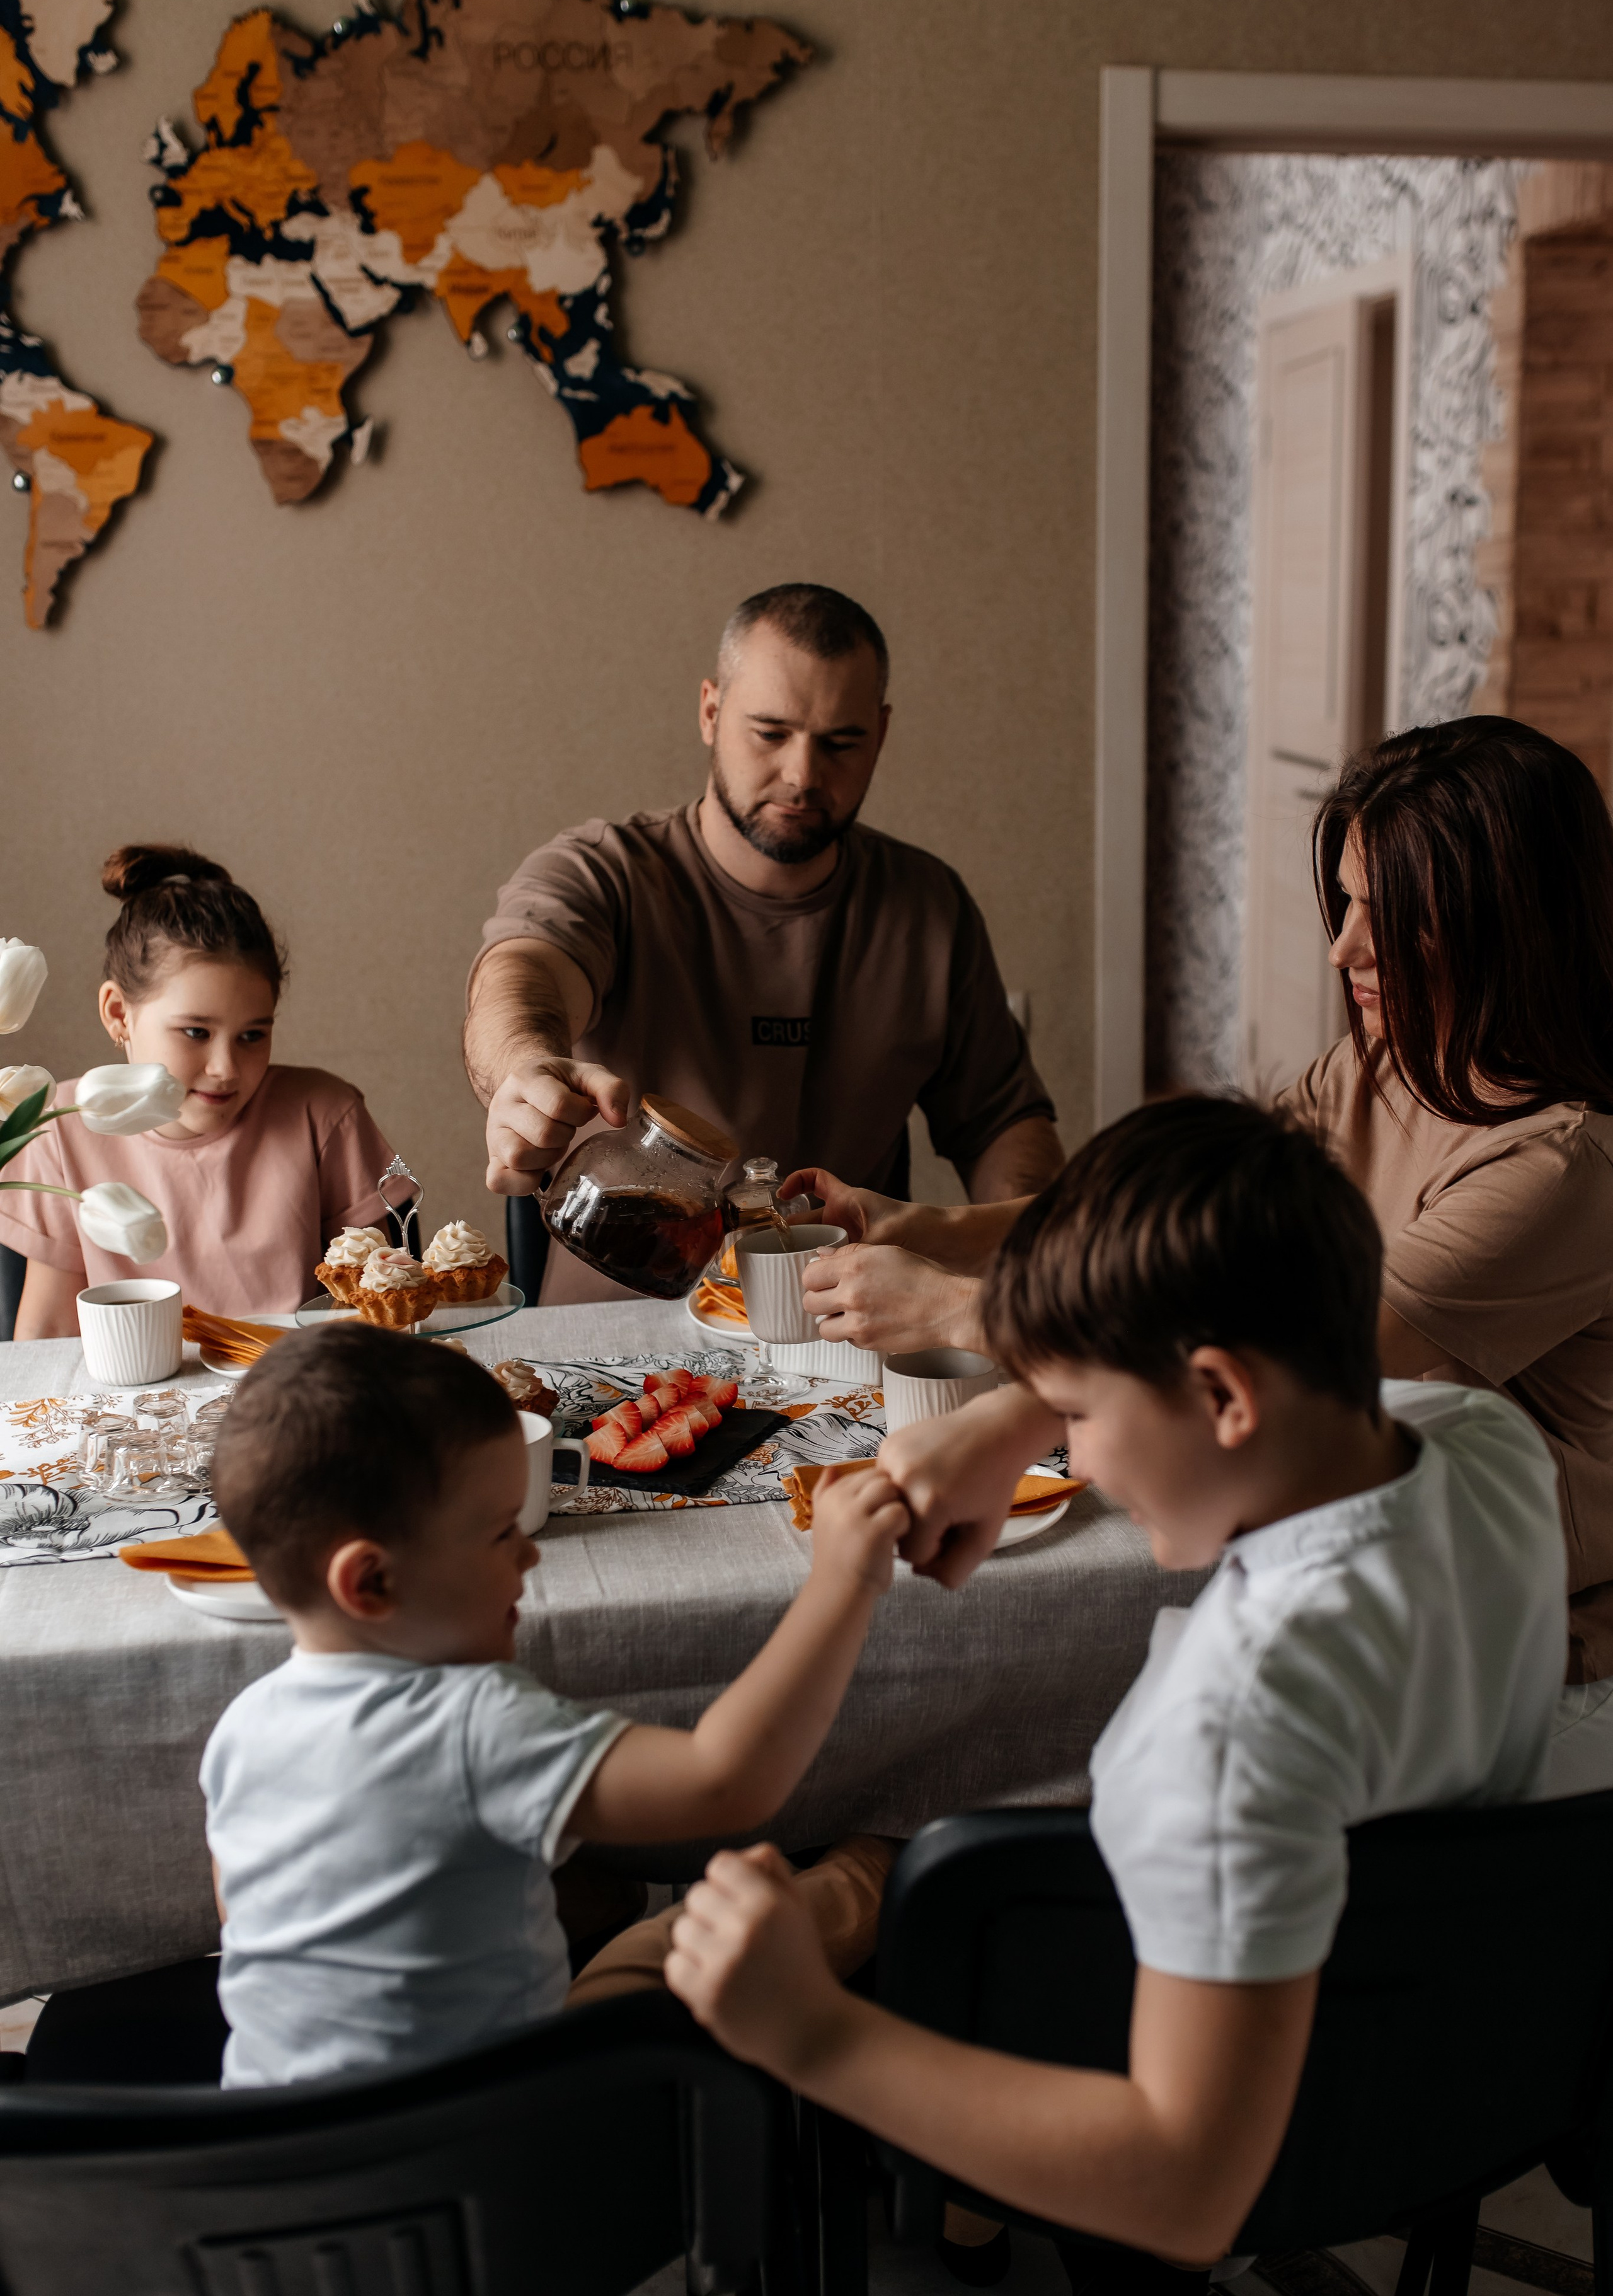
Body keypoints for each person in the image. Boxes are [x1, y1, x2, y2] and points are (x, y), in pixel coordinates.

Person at [663, 1097, 1568, 2275]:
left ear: (1225, 1398)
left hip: (1233, 2139)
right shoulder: (1493, 1448)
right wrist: (1016, 1413)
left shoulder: (1239, 1722)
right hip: (1462, 2062)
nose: (1074, 1459)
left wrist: (817, 2033)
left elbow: (1185, 2188)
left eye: (1081, 1418)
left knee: (884, 1879)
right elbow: (1329, 1385)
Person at [789, 718, 1613, 1779]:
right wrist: (931, 1226)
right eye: (1350, 901)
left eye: (1393, 917)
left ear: (1511, 926)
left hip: (1481, 1600)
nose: (1343, 949)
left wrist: (977, 1342)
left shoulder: (1558, 1167)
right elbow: (1181, 1221)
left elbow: (1293, 1355)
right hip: (1344, 1513)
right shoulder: (1397, 1057)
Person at [201, 1325, 907, 2087]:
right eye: (502, 1532)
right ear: (371, 1582)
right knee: (687, 1939)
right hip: (502, 2141)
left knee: (583, 1889)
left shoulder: (241, 1728)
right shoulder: (477, 1721)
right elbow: (727, 1781)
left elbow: (252, 1925)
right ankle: (885, 1862)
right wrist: (842, 1580)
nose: (529, 1554)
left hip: (288, 2152)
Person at [462, 582, 1063, 1302]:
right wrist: (524, 1067)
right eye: (770, 733)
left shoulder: (929, 905)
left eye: (841, 742)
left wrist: (1033, 1262)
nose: (803, 775)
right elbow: (523, 974)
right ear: (711, 711)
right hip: (619, 1354)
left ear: (881, 732)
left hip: (846, 1337)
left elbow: (1003, 1124)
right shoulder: (605, 870)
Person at [1, 845, 396, 1329]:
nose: (226, 1068)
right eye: (196, 1033)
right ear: (118, 1013)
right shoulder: (59, 1125)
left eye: (253, 1035)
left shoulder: (326, 1116)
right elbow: (49, 1331)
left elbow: (379, 1310)